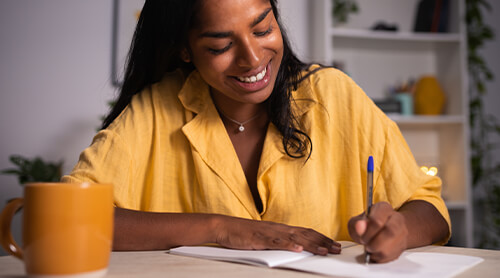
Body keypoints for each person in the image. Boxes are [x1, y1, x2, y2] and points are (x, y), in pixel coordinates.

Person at [62, 0, 450, 263]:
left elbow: (429, 209)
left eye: (263, 29)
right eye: (220, 46)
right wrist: (220, 228)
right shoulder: (156, 107)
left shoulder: (333, 94)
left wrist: (398, 230)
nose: (252, 59)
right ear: (185, 50)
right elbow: (69, 218)